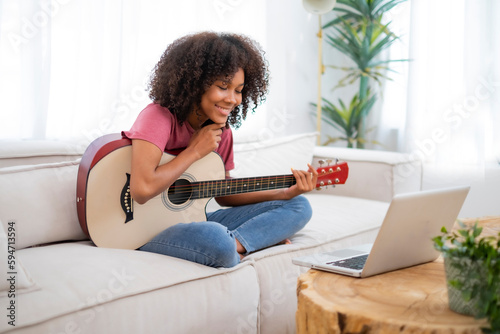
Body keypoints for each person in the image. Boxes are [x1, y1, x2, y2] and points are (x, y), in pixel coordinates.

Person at [122, 31, 318, 268]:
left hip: (191, 221)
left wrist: (283, 193)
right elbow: (142, 189)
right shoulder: (158, 117)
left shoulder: (221, 132)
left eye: (238, 89)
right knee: (215, 238)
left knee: (298, 206)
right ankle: (249, 244)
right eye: (223, 86)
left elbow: (222, 193)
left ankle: (237, 245)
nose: (233, 99)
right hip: (143, 228)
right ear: (195, 84)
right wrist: (194, 151)